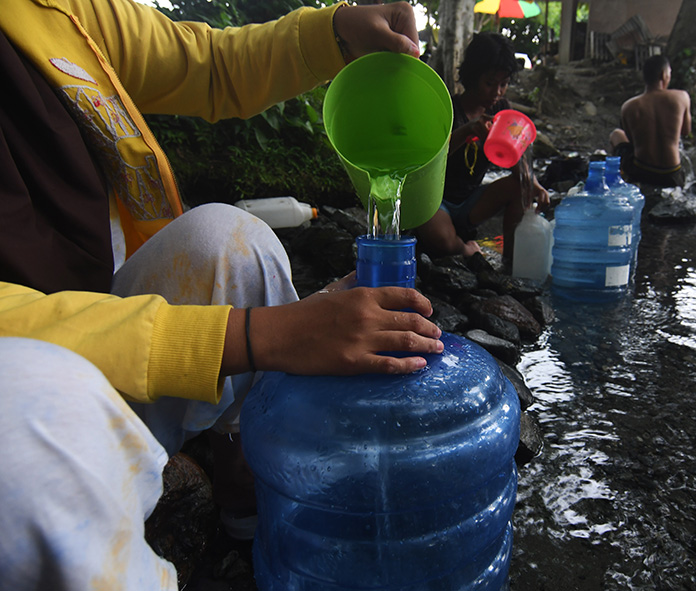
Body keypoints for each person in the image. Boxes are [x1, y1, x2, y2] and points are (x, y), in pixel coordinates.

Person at [0, 0, 442, 589]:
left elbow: (208, 64)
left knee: (229, 242)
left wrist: (335, 32)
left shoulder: (41, 14)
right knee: (32, 428)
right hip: (25, 394)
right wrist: (266, 334)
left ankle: (242, 470)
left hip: (109, 330)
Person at [413, 32, 549, 263]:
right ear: (473, 76)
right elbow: (428, 162)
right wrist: (467, 131)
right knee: (442, 240)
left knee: (521, 187)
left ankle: (512, 264)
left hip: (471, 204)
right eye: (489, 83)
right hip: (436, 203)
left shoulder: (501, 111)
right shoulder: (449, 109)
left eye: (503, 84)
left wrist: (534, 185)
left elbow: (517, 160)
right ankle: (465, 250)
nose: (497, 92)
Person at [609, 54, 692, 188]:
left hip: (642, 172)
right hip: (672, 173)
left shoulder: (629, 106)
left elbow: (631, 142)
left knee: (616, 134)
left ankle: (619, 181)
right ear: (663, 75)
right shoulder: (681, 97)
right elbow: (686, 130)